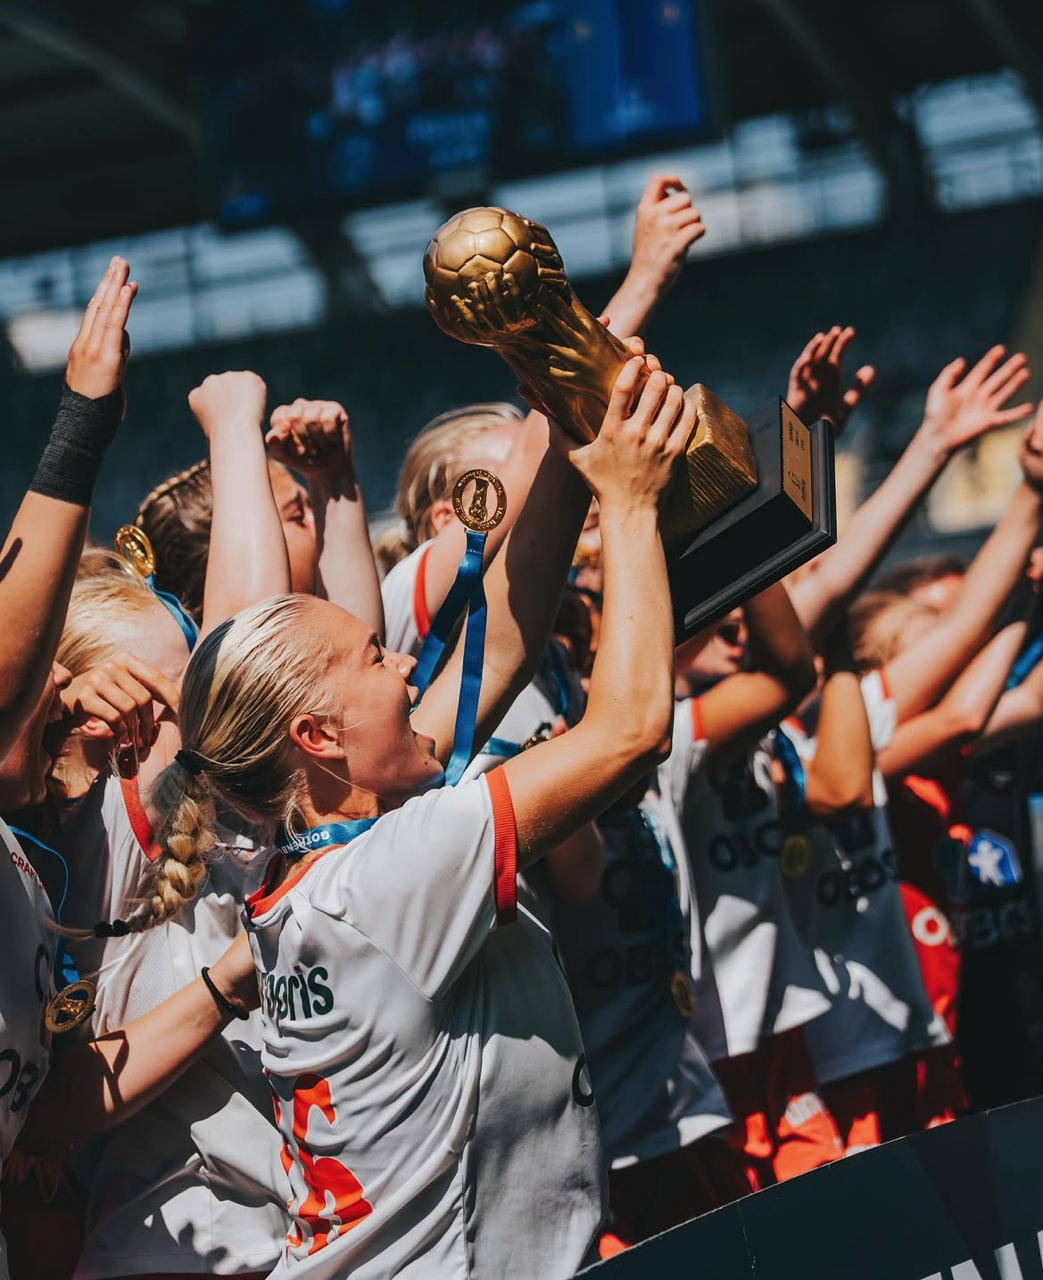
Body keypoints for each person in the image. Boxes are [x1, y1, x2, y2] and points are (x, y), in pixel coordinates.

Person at [158, 357, 694, 1278]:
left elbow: (510, 626)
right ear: (319, 735)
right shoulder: (388, 875)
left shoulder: (332, 857)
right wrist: (633, 502)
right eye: (375, 658)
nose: (405, 668)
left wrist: (569, 432)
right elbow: (631, 730)